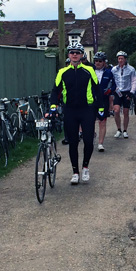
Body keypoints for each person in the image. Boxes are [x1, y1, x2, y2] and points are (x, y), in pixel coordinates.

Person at [51, 45, 99, 184]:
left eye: (77, 53)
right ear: (69, 55)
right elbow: (55, 90)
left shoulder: (89, 70)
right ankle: (75, 172)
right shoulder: (63, 72)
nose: (74, 55)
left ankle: (85, 167)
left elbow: (97, 89)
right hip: (70, 110)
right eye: (72, 52)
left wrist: (101, 107)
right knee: (73, 142)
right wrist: (53, 105)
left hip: (87, 109)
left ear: (82, 55)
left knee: (88, 140)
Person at [92, 51, 116, 152]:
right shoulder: (90, 71)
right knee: (90, 121)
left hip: (103, 100)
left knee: (102, 121)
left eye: (100, 61)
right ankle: (91, 137)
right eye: (96, 61)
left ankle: (100, 143)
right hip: (91, 99)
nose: (98, 63)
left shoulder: (109, 73)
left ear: (104, 62)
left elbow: (114, 85)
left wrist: (110, 91)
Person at [111, 51, 136, 139]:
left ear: (125, 59)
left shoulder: (131, 69)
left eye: (122, 59)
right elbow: (111, 80)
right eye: (119, 59)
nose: (120, 60)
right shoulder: (114, 69)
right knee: (116, 110)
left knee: (126, 112)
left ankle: (125, 130)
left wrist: (132, 92)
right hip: (117, 91)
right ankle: (119, 129)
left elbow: (134, 81)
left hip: (127, 91)